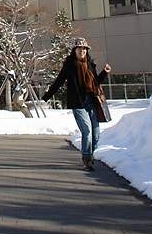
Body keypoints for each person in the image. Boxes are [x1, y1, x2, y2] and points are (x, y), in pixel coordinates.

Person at [42, 37, 112, 170]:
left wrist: (104, 73)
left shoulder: (90, 64)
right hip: (78, 103)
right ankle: (87, 159)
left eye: (84, 49)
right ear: (74, 50)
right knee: (87, 131)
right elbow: (59, 81)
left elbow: (95, 83)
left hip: (92, 102)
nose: (82, 51)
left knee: (96, 134)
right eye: (79, 49)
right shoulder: (69, 65)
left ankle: (90, 154)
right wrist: (47, 96)